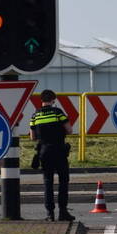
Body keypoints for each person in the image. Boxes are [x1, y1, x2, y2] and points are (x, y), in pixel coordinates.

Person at [29, 89, 74, 222]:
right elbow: (69, 130)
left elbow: (32, 137)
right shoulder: (58, 112)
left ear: (41, 100)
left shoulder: (35, 116)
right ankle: (63, 212)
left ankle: (50, 214)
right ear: (53, 100)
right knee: (63, 181)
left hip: (44, 151)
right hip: (59, 150)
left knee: (48, 182)